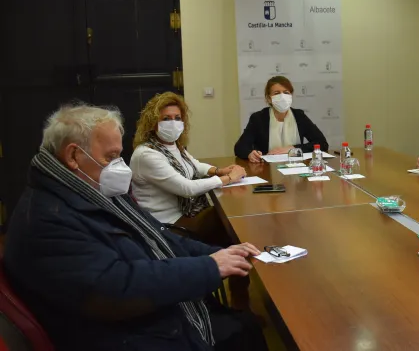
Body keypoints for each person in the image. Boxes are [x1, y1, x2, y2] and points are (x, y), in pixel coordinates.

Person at [3, 104, 268, 350]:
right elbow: (114, 289)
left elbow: (158, 237)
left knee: (245, 327)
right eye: (111, 156)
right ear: (73, 155)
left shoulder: (92, 190)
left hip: (143, 319)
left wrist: (219, 254)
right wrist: (209, 267)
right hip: (125, 335)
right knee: (244, 333)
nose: (119, 166)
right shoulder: (48, 219)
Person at [130, 92, 246, 235]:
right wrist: (228, 178)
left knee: (227, 213)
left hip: (186, 213)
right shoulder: (146, 154)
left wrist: (218, 171)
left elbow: (193, 165)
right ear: (153, 123)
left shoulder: (173, 146)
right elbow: (187, 188)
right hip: (168, 225)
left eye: (177, 118)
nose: (173, 123)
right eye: (166, 118)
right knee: (227, 217)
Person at [234, 76, 329, 162]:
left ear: (291, 96)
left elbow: (322, 143)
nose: (282, 97)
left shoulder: (299, 116)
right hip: (267, 168)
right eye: (277, 93)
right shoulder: (259, 118)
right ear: (269, 98)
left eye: (286, 92)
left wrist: (292, 148)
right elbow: (240, 147)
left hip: (296, 167)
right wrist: (250, 154)